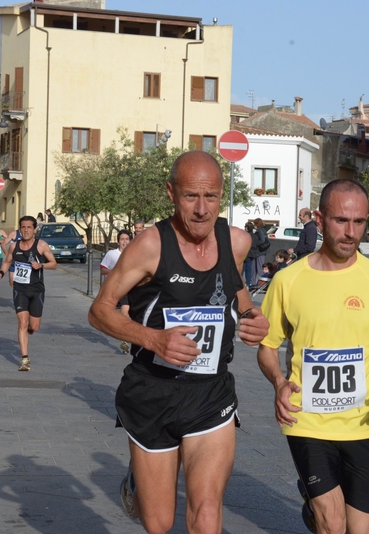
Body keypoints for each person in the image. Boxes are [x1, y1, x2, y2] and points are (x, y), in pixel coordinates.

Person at [87, 151, 269, 533]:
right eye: (191, 197)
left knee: (205, 514)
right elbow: (100, 310)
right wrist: (152, 338)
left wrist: (253, 318)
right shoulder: (150, 245)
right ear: (171, 192)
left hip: (210, 393)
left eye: (212, 197)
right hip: (153, 392)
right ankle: (138, 482)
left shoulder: (236, 241)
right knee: (159, 523)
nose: (203, 209)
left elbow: (235, 292)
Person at [257, 179, 369, 534]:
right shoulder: (288, 281)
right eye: (341, 221)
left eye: (359, 222)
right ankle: (318, 502)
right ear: (319, 219)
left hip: (362, 422)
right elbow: (267, 347)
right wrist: (279, 383)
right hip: (307, 419)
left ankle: (313, 500)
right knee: (333, 522)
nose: (350, 232)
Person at [0, 216, 57, 371]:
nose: (26, 230)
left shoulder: (41, 245)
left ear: (34, 229)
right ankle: (25, 359)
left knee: (34, 326)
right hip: (20, 289)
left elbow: (54, 264)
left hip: (37, 290)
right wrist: (0, 274)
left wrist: (40, 265)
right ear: (19, 229)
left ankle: (29, 330)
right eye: (23, 227)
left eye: (29, 227)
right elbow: (7, 262)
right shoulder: (14, 247)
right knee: (22, 322)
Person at [100, 230, 132, 352]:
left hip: (132, 287)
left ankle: (125, 335)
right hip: (118, 287)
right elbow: (103, 270)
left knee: (127, 313)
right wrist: (115, 272)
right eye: (122, 239)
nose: (124, 241)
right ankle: (123, 336)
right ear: (118, 241)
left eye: (126, 239)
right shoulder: (112, 254)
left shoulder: (135, 254)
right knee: (121, 312)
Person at [243, 221, 258, 289]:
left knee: (242, 269)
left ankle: (240, 284)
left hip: (246, 253)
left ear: (247, 228)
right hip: (252, 253)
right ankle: (248, 284)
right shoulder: (255, 236)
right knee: (249, 270)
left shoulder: (246, 235)